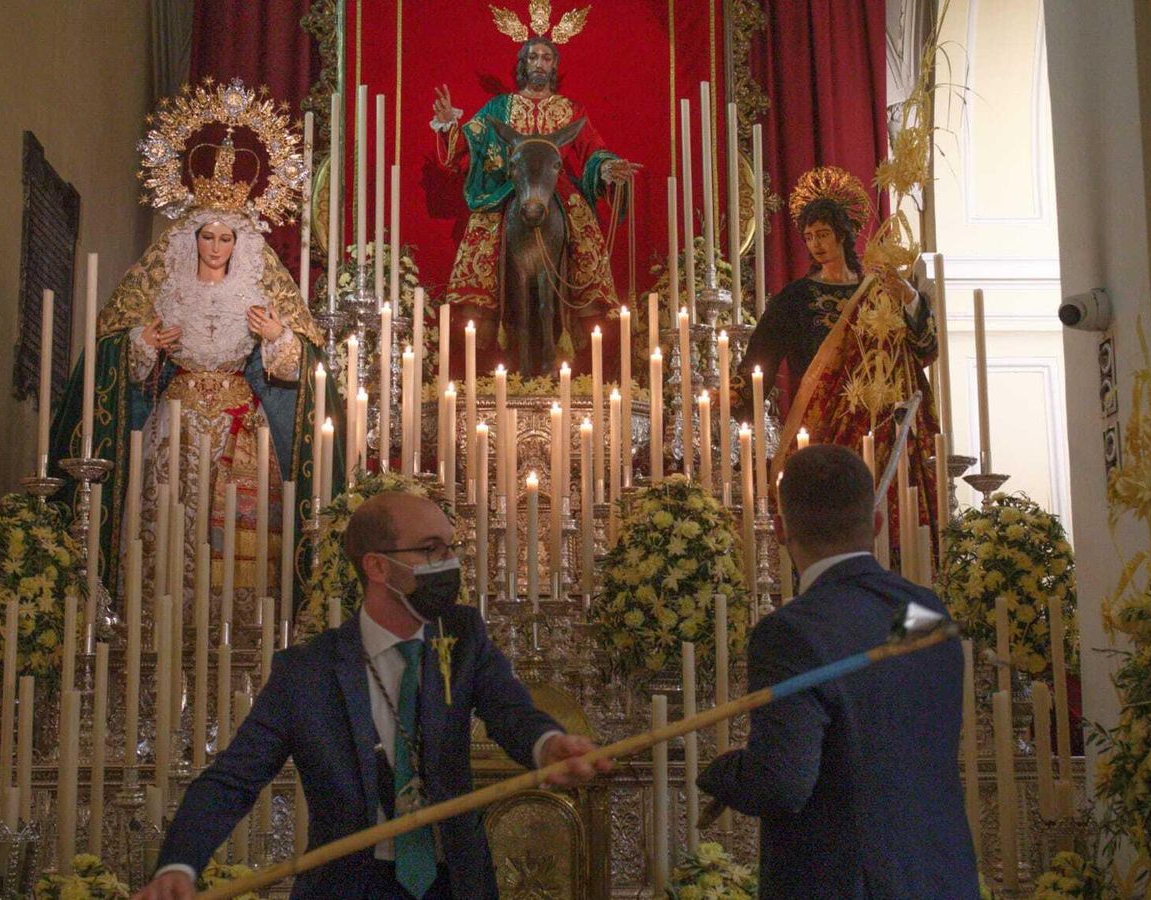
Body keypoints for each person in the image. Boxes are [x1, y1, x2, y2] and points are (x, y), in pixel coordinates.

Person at [132, 492, 610, 899]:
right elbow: (233, 780)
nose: (449, 564)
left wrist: (548, 745)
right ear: (378, 567)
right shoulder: (306, 671)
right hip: (348, 886)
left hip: (454, 882)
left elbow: (510, 712)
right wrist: (179, 865)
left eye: (451, 547)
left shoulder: (462, 636)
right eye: (430, 549)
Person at [50, 132, 339, 626]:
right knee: (168, 514)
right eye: (208, 235)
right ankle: (157, 622)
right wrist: (143, 342)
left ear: (239, 243)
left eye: (226, 238)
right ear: (192, 237)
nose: (216, 246)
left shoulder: (257, 292)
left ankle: (241, 630)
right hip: (175, 423)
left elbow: (302, 363)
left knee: (236, 525)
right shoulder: (164, 289)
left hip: (242, 427)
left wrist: (276, 336)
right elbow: (113, 348)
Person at [696, 445, 977, 899]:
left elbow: (783, 782)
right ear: (878, 523)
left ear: (782, 531)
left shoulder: (791, 633)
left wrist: (721, 773)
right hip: (940, 878)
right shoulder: (924, 611)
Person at [732, 166, 940, 562]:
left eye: (823, 234)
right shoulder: (796, 298)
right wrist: (736, 395)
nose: (815, 245)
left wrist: (911, 298)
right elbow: (761, 358)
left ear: (843, 234)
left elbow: (924, 350)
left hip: (886, 429)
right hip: (824, 426)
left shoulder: (882, 290)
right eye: (809, 237)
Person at [431, 33, 640, 373]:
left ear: (554, 65)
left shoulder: (571, 110)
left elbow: (592, 149)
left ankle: (583, 311)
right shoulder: (501, 107)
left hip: (557, 189)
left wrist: (607, 167)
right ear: (523, 64)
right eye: (532, 57)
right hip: (510, 187)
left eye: (545, 58)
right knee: (483, 230)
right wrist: (449, 125)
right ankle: (482, 310)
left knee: (583, 231)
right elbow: (473, 140)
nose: (539, 63)